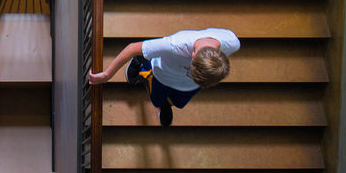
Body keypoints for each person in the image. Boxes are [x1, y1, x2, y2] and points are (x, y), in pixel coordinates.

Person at [87, 28, 238, 126]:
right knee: (157, 100)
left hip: (189, 86)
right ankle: (142, 65)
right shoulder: (175, 45)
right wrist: (107, 75)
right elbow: (133, 48)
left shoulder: (232, 43)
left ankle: (167, 103)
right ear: (192, 56)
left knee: (178, 103)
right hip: (162, 75)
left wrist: (197, 82)